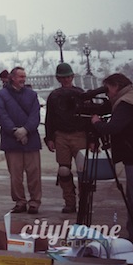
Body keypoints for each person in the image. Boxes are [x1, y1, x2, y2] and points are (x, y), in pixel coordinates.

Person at [91, 73, 133, 244]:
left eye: (108, 89)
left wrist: (97, 123)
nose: (108, 94)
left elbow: (114, 127)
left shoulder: (125, 102)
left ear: (116, 86)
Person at [0, 66, 42, 214]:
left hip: (31, 139)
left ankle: (34, 201)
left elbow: (35, 115)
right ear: (12, 78)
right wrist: (15, 131)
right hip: (11, 140)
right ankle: (20, 201)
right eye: (20, 77)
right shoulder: (2, 94)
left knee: (34, 173)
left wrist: (26, 130)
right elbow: (1, 114)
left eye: (24, 76)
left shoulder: (32, 95)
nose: (23, 79)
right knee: (15, 175)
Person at [44, 62, 89, 213]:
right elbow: (49, 118)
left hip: (80, 134)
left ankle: (85, 201)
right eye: (63, 77)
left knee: (84, 171)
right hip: (61, 135)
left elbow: (88, 117)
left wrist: (93, 139)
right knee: (64, 170)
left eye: (68, 77)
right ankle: (69, 201)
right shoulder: (54, 96)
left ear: (72, 77)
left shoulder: (80, 93)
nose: (66, 80)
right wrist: (49, 138)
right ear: (58, 78)